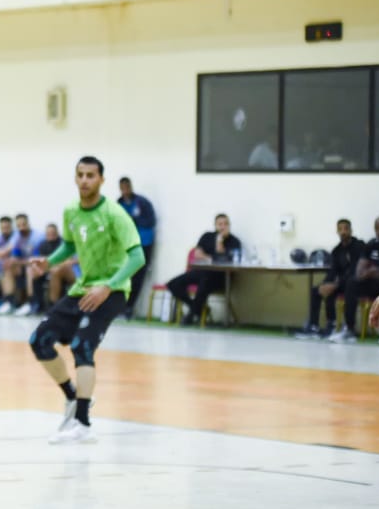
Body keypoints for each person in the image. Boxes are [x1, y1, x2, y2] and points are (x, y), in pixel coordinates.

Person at [27, 156, 144, 444]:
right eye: (80, 175)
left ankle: (83, 423)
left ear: (101, 180)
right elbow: (69, 245)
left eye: (91, 175)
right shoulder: (71, 211)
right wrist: (49, 262)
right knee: (39, 340)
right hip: (83, 289)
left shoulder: (115, 214)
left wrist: (108, 286)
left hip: (113, 291)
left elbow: (138, 257)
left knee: (82, 346)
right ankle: (73, 396)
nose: (84, 180)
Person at [165, 213, 242, 326]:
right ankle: (197, 308)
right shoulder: (207, 236)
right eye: (220, 224)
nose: (223, 227)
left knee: (205, 283)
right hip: (201, 272)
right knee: (173, 284)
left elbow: (224, 259)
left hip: (221, 277)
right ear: (215, 225)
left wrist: (219, 242)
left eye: (226, 224)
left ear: (229, 225)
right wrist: (212, 258)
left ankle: (191, 315)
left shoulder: (234, 241)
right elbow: (197, 254)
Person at [294, 218, 363, 340]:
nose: (343, 232)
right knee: (317, 290)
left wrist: (335, 284)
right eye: (340, 229)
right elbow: (333, 271)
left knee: (347, 285)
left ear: (351, 231)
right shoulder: (336, 250)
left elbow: (355, 270)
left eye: (346, 229)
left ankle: (349, 329)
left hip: (356, 282)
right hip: (341, 283)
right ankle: (315, 326)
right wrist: (325, 284)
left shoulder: (359, 246)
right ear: (337, 231)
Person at [330, 215, 379, 344]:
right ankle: (349, 329)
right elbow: (360, 267)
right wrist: (363, 273)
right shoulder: (371, 244)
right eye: (378, 228)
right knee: (351, 283)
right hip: (373, 282)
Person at [117, 177, 157, 318]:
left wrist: (133, 219)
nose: (125, 191)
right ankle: (119, 307)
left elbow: (151, 222)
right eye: (122, 188)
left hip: (143, 244)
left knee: (138, 277)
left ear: (131, 187)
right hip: (125, 245)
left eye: (127, 187)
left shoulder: (142, 203)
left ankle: (129, 308)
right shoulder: (119, 204)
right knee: (123, 276)